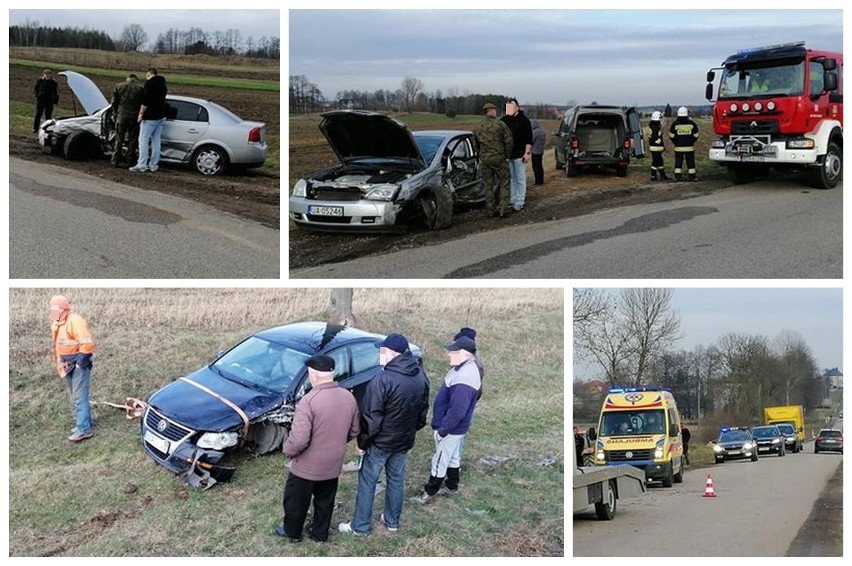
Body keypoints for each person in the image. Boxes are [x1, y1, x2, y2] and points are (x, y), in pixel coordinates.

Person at [339, 333, 429, 536]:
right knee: (396, 479)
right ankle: (392, 521)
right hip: (404, 441)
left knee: (367, 481)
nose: (380, 353)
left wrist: (362, 443)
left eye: (382, 350)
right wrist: (409, 431)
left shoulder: (382, 380)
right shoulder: (420, 375)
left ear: (392, 353)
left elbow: (371, 418)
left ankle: (360, 526)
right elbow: (423, 411)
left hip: (380, 444)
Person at [275, 355, 359, 543]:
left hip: (307, 466)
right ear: (332, 373)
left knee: (295, 500)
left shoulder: (309, 401)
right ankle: (320, 533)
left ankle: (293, 532)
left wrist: (288, 451)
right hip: (333, 463)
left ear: (313, 375)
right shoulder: (348, 397)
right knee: (325, 500)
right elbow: (354, 429)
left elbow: (299, 440)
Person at [411, 335, 482, 504]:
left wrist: (443, 430)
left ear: (464, 353)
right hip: (457, 428)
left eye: (453, 352)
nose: (449, 354)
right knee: (453, 456)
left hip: (450, 428)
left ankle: (429, 492)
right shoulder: (465, 368)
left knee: (440, 458)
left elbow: (457, 411)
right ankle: (451, 486)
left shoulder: (464, 377)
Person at [50, 295, 95, 443]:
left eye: (54, 309)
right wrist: (61, 361)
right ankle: (85, 423)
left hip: (78, 364)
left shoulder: (75, 320)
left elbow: (87, 344)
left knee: (79, 397)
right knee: (77, 397)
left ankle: (83, 430)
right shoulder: (58, 323)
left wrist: (79, 364)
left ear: (62, 309)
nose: (51, 312)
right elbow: (58, 346)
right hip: (67, 364)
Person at [473, 102, 513, 219]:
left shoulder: (478, 127)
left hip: (485, 159)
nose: (496, 112)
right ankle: (503, 209)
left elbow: (476, 144)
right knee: (504, 182)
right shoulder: (500, 124)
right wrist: (507, 155)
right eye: (494, 109)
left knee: (488, 185)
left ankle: (490, 210)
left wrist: (481, 154)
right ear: (490, 110)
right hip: (499, 158)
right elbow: (509, 141)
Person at [130, 68, 168, 173]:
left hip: (150, 117)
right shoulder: (163, 85)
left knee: (143, 140)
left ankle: (142, 164)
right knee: (156, 140)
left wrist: (141, 114)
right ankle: (154, 164)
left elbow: (145, 100)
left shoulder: (149, 84)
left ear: (149, 74)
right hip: (161, 116)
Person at [500, 98, 533, 212]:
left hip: (520, 154)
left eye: (512, 106)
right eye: (508, 107)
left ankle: (520, 200)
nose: (510, 109)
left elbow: (529, 139)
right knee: (511, 178)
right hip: (508, 155)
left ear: (517, 107)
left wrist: (527, 153)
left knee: (520, 178)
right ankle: (512, 199)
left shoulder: (524, 121)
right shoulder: (504, 120)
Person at [110, 73, 144, 168]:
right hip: (134, 117)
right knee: (133, 139)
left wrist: (115, 114)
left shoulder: (119, 86)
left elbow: (114, 103)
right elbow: (143, 103)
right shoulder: (141, 88)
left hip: (121, 116)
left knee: (119, 138)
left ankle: (115, 160)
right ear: (136, 79)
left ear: (127, 79)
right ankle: (129, 160)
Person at [669, 106, 699, 182]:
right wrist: (691, 141)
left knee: (678, 163)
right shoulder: (692, 124)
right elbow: (696, 135)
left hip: (678, 148)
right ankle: (692, 177)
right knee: (690, 163)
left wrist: (676, 142)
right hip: (689, 148)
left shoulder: (675, 124)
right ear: (686, 114)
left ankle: (677, 177)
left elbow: (671, 136)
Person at [33, 69, 59, 134]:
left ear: (51, 75)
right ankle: (35, 129)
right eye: (46, 74)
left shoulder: (54, 83)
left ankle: (47, 129)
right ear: (43, 74)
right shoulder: (40, 81)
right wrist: (38, 96)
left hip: (49, 101)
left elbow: (56, 92)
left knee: (48, 116)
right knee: (38, 114)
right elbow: (36, 89)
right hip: (41, 100)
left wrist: (55, 101)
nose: (47, 75)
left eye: (48, 74)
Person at [647, 111, 668, 181]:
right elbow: (656, 138)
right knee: (656, 162)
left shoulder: (653, 126)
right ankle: (653, 176)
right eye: (660, 118)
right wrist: (660, 143)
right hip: (656, 148)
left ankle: (662, 175)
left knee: (659, 162)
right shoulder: (655, 127)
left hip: (655, 148)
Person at [530, 119, 546, 186]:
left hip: (535, 151)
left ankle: (537, 181)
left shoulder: (535, 132)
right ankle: (541, 180)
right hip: (541, 151)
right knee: (540, 166)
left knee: (535, 167)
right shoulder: (543, 131)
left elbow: (531, 141)